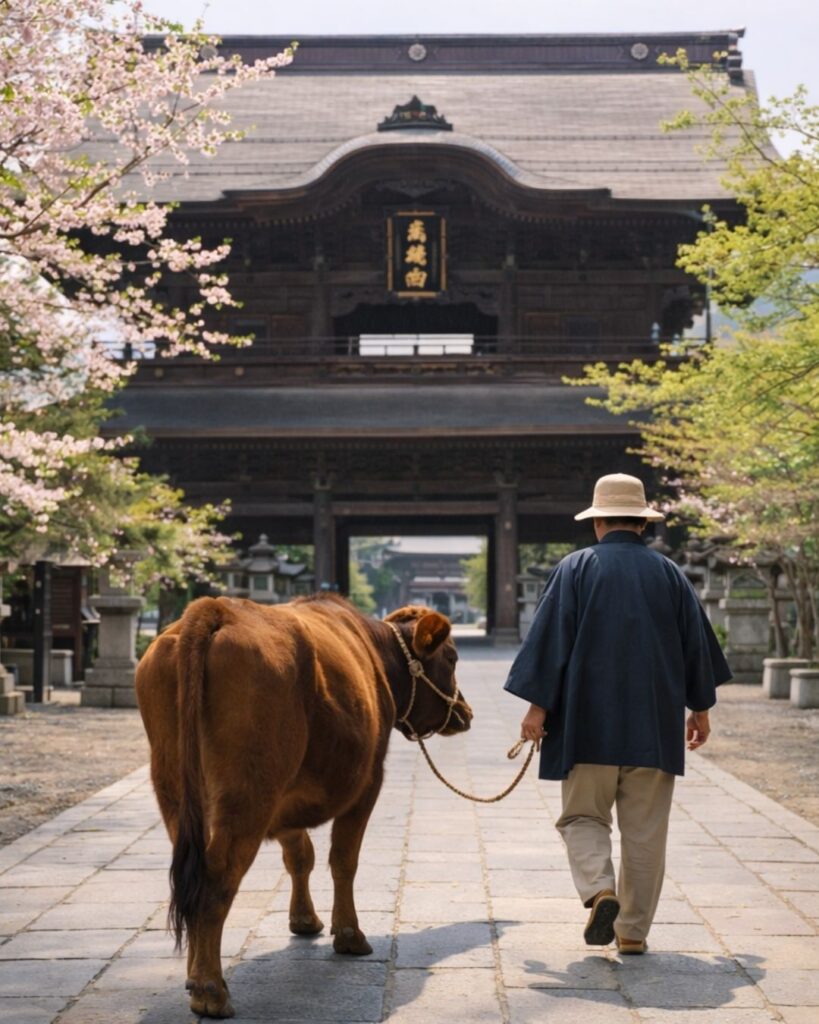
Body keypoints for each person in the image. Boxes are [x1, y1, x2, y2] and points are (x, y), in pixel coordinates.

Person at [504, 473, 731, 954]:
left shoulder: (575, 568)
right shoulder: (669, 574)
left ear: (598, 522)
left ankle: (599, 888)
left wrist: (536, 709)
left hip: (586, 727)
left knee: (582, 817)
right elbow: (696, 646)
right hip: (655, 727)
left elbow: (551, 642)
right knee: (645, 833)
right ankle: (632, 933)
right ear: (642, 523)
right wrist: (701, 710)